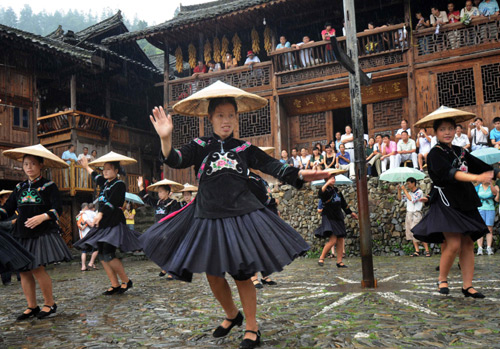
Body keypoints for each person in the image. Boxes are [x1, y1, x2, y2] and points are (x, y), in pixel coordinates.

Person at [142, 83, 328, 348]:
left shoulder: (244, 149)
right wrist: (165, 137)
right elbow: (175, 159)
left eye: (231, 115)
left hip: (241, 216)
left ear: (236, 118)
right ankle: (232, 315)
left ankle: (252, 327)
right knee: (213, 274)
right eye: (220, 115)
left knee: (242, 273)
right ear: (210, 119)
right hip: (206, 217)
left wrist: (299, 174)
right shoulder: (200, 145)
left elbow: (272, 165)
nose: (226, 120)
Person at [412, 116, 499, 299]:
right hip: (446, 201)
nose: (447, 132)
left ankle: (468, 286)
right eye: (443, 129)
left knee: (468, 243)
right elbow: (452, 174)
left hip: (465, 200)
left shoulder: (460, 151)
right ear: (435, 133)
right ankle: (442, 279)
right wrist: (476, 178)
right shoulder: (434, 154)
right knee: (453, 243)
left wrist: (494, 172)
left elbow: (479, 166)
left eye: (450, 128)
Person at [0, 145, 73, 320]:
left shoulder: (49, 185)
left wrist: (43, 217)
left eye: (33, 163)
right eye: (26, 164)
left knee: (37, 268)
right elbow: (7, 209)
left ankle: (50, 303)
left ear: (41, 165)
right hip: (21, 234)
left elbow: (58, 209)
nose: (29, 167)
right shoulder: (19, 187)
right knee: (23, 271)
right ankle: (32, 306)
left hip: (41, 233)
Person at [75, 153, 141, 295]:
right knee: (102, 253)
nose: (105, 171)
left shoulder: (119, 184)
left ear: (116, 171)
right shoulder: (105, 183)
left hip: (114, 221)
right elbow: (95, 176)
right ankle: (114, 284)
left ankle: (126, 281)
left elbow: (113, 202)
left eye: (109, 169)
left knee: (108, 252)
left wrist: (100, 213)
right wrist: (86, 166)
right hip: (103, 223)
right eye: (104, 169)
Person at [315, 176, 358, 268]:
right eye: (331, 178)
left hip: (338, 216)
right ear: (326, 180)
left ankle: (339, 261)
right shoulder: (325, 190)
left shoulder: (337, 191)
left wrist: (350, 213)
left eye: (334, 178)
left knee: (341, 238)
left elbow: (343, 204)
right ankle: (321, 257)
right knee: (333, 240)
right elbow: (321, 194)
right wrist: (326, 184)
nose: (333, 180)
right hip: (329, 216)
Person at [0, 189, 27, 287]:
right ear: (1, 199)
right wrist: (11, 223)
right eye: (6, 197)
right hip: (4, 237)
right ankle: (6, 280)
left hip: (16, 235)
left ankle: (22, 277)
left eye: (9, 197)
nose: (8, 199)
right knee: (6, 259)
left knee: (19, 256)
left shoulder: (15, 210)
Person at [397, 177, 430, 257]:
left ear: (413, 183)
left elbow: (412, 200)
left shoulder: (419, 192)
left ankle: (427, 250)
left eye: (408, 183)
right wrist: (399, 190)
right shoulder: (409, 193)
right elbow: (400, 199)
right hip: (409, 214)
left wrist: (404, 190)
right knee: (411, 232)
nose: (407, 185)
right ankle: (417, 250)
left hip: (416, 214)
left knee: (419, 231)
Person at [476, 180, 496, 256]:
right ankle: (480, 248)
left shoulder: (492, 187)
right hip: (480, 209)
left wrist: (491, 184)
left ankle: (488, 247)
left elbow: (495, 194)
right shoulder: (478, 187)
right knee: (480, 228)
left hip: (490, 209)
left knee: (489, 229)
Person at [77, 203, 99, 271]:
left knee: (84, 251)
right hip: (89, 235)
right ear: (86, 207)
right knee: (96, 248)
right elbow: (90, 223)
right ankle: (91, 263)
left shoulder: (78, 215)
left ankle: (83, 266)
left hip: (82, 235)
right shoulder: (85, 214)